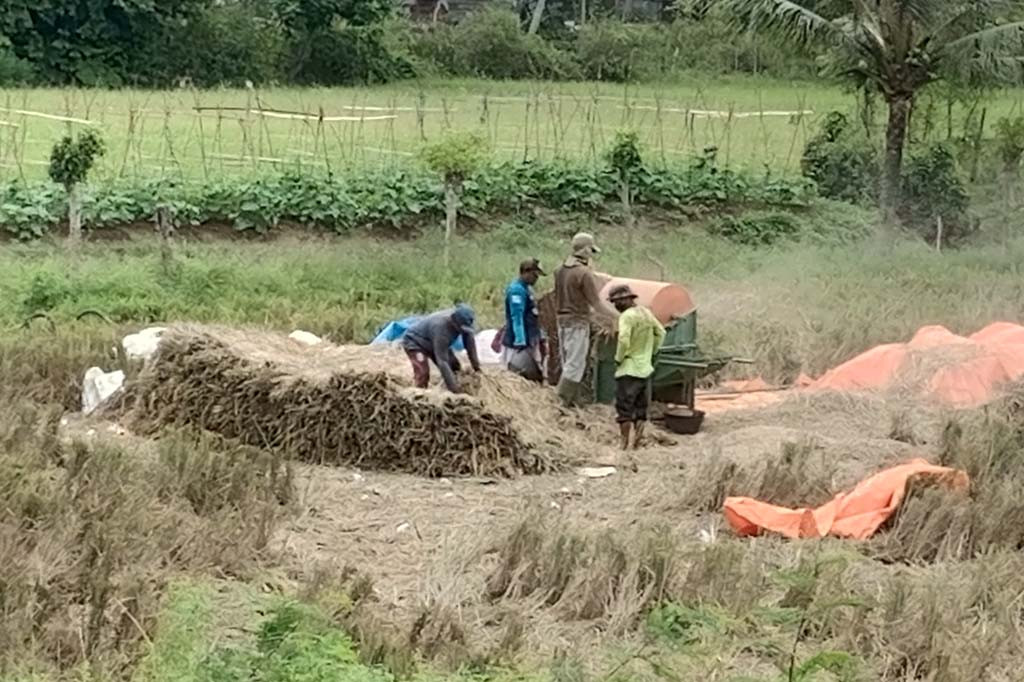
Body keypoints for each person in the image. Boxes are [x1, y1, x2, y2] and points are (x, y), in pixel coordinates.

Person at [553, 232, 617, 407]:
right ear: (586, 250)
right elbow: (596, 303)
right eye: (591, 251)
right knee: (575, 365)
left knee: (568, 362)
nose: (591, 255)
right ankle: (561, 402)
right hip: (578, 322)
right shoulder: (583, 273)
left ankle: (573, 401)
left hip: (562, 321)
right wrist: (616, 316)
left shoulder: (560, 270)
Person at [609, 284, 665, 451]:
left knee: (624, 410)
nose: (616, 305)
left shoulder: (626, 316)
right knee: (641, 410)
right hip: (645, 370)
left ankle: (623, 444)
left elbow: (624, 339)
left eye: (617, 302)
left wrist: (618, 358)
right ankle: (636, 444)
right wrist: (652, 351)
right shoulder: (646, 313)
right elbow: (661, 332)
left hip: (628, 369)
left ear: (625, 300)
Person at [402, 304, 481, 393]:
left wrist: (477, 368)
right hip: (415, 343)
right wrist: (455, 392)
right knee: (423, 372)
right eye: (461, 329)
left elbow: (470, 346)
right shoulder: (441, 328)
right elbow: (442, 361)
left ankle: (448, 387)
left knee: (455, 367)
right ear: (454, 322)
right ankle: (418, 394)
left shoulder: (465, 324)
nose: (463, 331)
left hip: (434, 342)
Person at [501, 258, 547, 383]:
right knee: (515, 373)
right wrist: (520, 340)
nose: (536, 279)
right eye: (535, 275)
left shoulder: (527, 289)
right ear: (526, 272)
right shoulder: (516, 291)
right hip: (517, 342)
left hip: (530, 338)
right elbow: (517, 317)